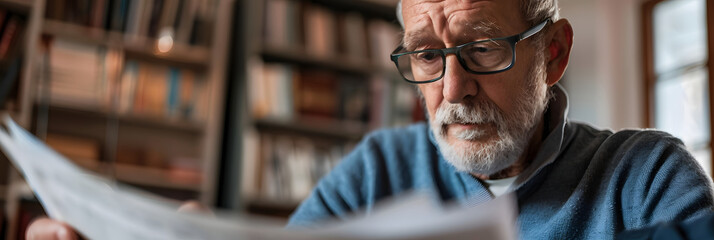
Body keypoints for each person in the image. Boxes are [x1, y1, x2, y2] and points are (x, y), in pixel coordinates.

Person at [26, 0, 714, 239]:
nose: (453, 89)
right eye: (425, 54)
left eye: (481, 48)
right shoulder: (375, 171)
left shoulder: (646, 178)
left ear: (553, 53)